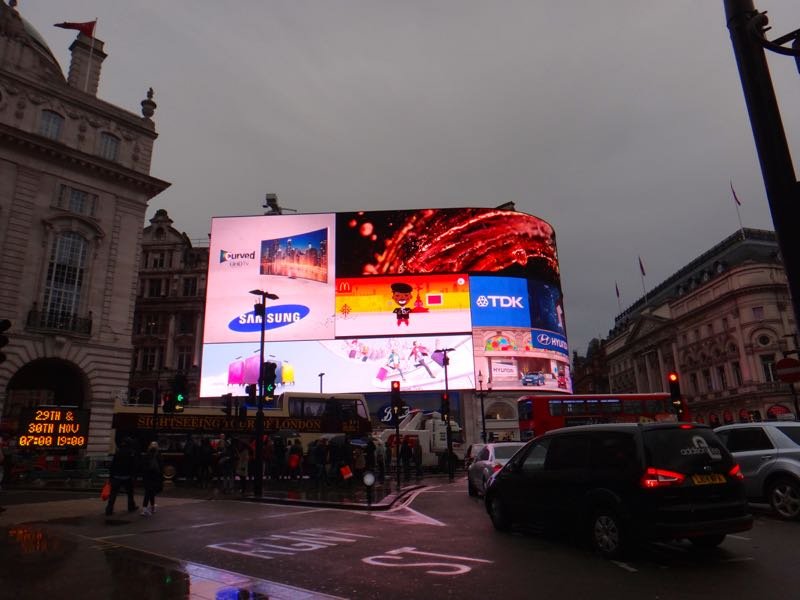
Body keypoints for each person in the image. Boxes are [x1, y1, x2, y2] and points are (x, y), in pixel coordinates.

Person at [105, 437, 139, 517]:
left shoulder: (118, 452)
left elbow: (113, 465)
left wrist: (111, 476)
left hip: (116, 476)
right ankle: (131, 506)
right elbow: (134, 466)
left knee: (113, 494)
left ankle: (109, 509)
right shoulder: (131, 453)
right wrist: (134, 475)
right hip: (127, 476)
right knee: (130, 493)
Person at [140, 441, 163, 516]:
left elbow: (143, 466)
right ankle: (147, 508)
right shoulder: (158, 455)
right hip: (154, 477)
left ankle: (148, 508)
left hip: (147, 476)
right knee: (150, 492)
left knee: (149, 492)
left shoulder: (146, 455)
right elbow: (160, 467)